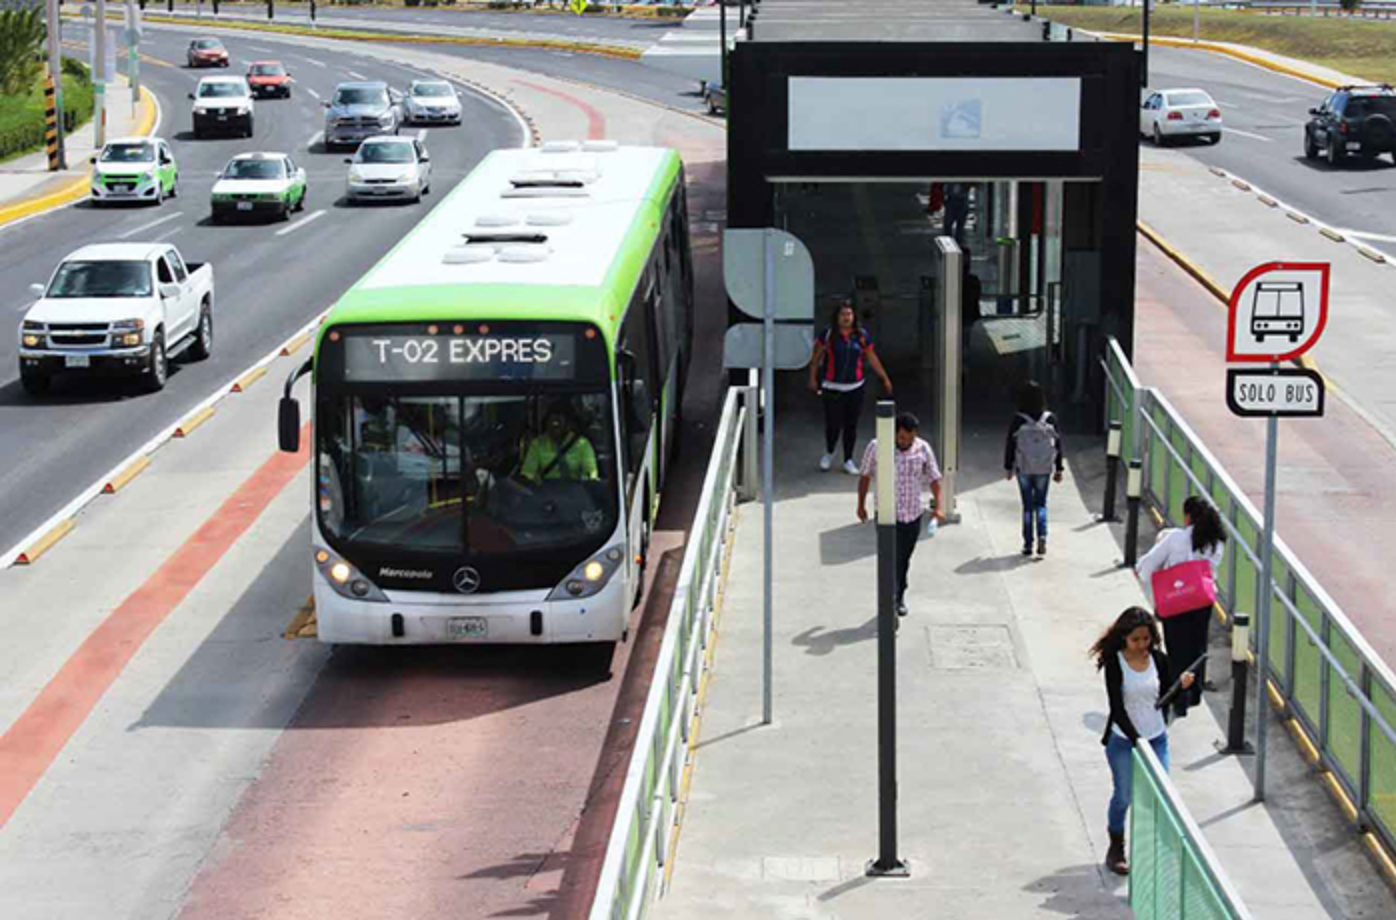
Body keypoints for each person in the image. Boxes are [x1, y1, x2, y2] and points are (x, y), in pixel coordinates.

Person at [1090, 606, 1194, 877]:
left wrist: (1181, 687)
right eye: (1135, 640)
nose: (1141, 645)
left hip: (1156, 738)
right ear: (1124, 638)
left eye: (1145, 639)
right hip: (1125, 742)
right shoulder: (1115, 663)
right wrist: (1137, 741)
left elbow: (1165, 699)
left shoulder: (1159, 660)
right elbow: (1117, 708)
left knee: (1160, 796)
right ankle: (1116, 846)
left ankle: (1153, 853)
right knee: (1124, 796)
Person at [1135, 496, 1226, 717]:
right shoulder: (1216, 543)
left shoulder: (1175, 538)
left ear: (1188, 516)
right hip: (1202, 602)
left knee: (1176, 649)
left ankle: (1178, 697)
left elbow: (1147, 565)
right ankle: (1194, 692)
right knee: (1197, 647)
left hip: (1175, 600)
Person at [855, 412, 944, 617]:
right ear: (894, 434)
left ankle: (899, 593)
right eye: (903, 437)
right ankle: (890, 600)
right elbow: (865, 476)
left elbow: (934, 478)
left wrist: (938, 506)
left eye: (910, 438)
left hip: (912, 514)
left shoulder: (923, 448)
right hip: (887, 514)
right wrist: (861, 505)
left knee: (904, 558)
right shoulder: (877, 447)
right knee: (890, 557)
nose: (906, 442)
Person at [808, 300, 893, 475]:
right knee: (832, 424)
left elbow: (872, 357)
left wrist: (884, 377)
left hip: (855, 387)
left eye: (849, 314)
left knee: (851, 425)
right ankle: (829, 452)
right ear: (837, 317)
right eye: (843, 314)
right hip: (832, 387)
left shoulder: (861, 335)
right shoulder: (828, 334)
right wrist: (812, 378)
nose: (846, 318)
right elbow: (816, 358)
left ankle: (848, 459)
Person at [1004, 380, 1064, 557]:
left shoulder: (1018, 419)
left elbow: (1010, 444)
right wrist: (1059, 468)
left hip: (1024, 467)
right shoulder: (1050, 418)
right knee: (1041, 504)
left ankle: (1028, 544)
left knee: (1027, 506)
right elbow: (1058, 444)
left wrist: (1008, 467)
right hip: (1044, 469)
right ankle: (1043, 535)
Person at [519, 407, 598, 482]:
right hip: (545, 494)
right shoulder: (537, 444)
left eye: (559, 422)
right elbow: (528, 475)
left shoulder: (582, 444)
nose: (555, 426)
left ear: (568, 424)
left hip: (577, 493)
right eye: (552, 421)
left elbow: (591, 475)